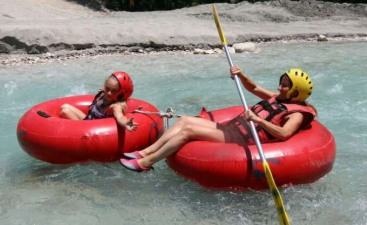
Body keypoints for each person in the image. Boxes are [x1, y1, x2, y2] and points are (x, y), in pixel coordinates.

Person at [120, 66, 316, 172]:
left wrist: (258, 120)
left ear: (295, 92)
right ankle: (145, 152)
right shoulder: (278, 98)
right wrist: (241, 75)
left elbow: (284, 134)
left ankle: (146, 164)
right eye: (281, 84)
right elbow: (254, 88)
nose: (279, 88)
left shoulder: (296, 114)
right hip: (234, 128)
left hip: (241, 140)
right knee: (185, 120)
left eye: (284, 86)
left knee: (189, 131)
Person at [60, 71, 137, 132]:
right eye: (107, 88)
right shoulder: (106, 94)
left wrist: (125, 123)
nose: (109, 93)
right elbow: (107, 91)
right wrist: (104, 91)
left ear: (121, 93)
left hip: (89, 129)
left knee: (65, 111)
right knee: (65, 106)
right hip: (88, 120)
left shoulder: (115, 106)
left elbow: (120, 116)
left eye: (114, 91)